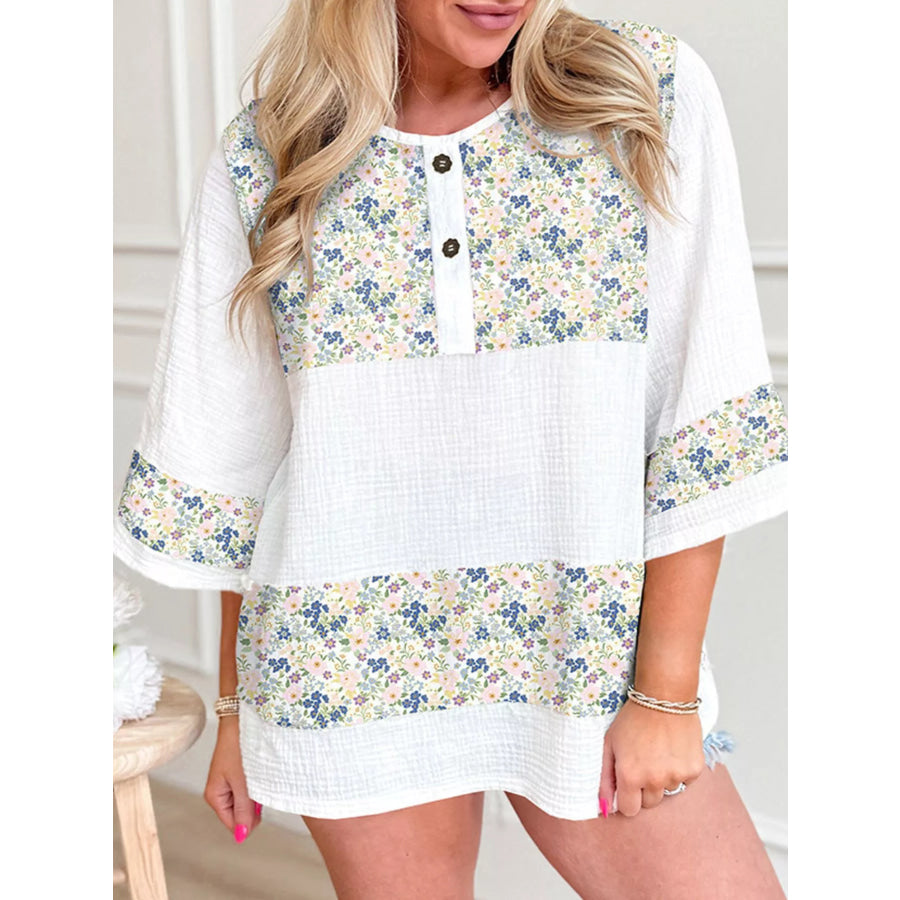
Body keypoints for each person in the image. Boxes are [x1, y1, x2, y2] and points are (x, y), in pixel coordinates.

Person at [113, 1, 788, 897]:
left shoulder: (639, 95)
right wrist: (237, 706)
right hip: (347, 659)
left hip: (585, 648)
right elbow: (252, 464)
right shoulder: (273, 151)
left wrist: (665, 696)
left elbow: (700, 415)